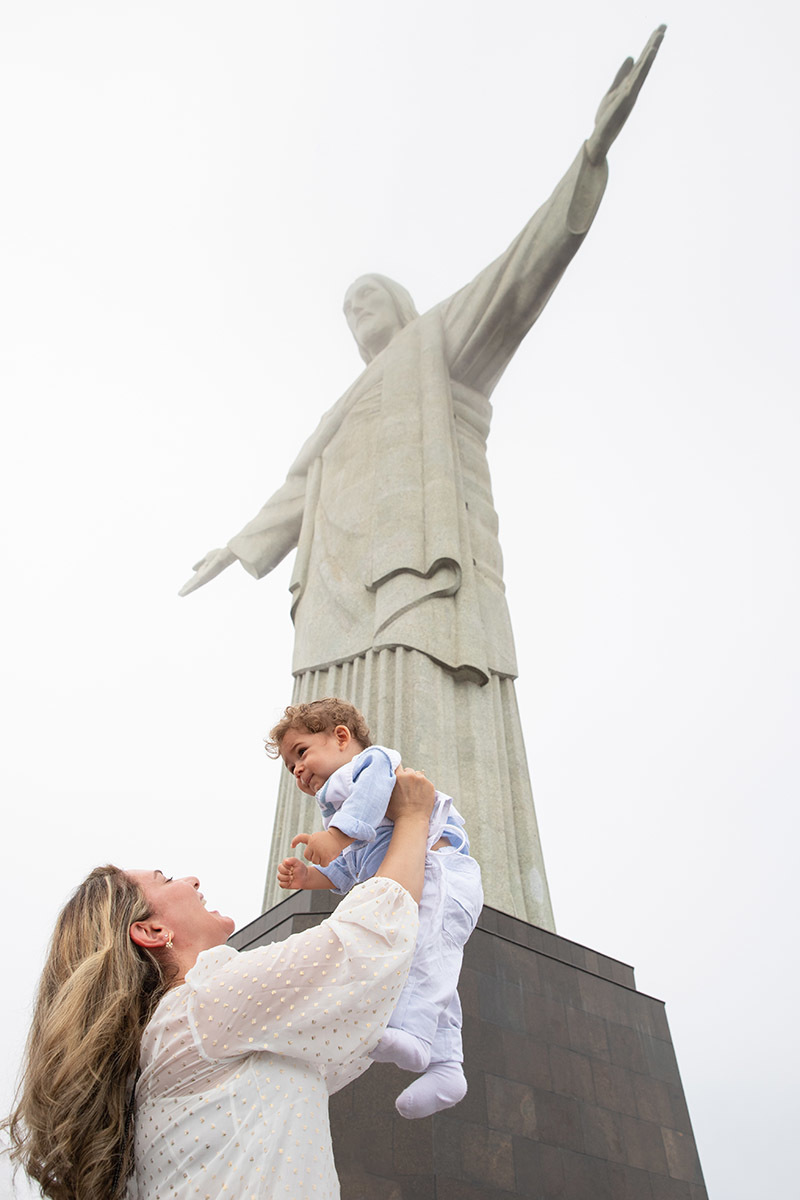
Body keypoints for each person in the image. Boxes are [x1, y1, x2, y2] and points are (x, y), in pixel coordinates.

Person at [179, 28, 666, 929]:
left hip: (415, 576)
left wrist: (587, 161)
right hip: (332, 597)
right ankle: (312, 897)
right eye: (348, 305)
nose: (358, 312)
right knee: (319, 726)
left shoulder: (435, 346)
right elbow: (294, 493)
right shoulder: (339, 413)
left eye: (371, 297)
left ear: (400, 307)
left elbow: (517, 278)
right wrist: (236, 548)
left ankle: (429, 887)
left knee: (414, 713)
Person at [4, 771, 434, 1200]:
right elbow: (366, 940)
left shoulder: (173, 1040)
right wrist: (414, 816)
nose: (191, 880)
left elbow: (343, 1024)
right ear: (151, 931)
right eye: (166, 879)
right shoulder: (205, 1006)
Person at [269, 697, 484, 1119]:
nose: (297, 770)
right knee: (428, 965)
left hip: (441, 872)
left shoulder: (371, 764)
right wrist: (312, 877)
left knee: (424, 960)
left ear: (342, 738)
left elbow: (371, 797)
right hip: (416, 883)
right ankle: (446, 1066)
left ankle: (413, 1033)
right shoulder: (340, 806)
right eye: (290, 767)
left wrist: (334, 835)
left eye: (301, 753)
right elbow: (350, 869)